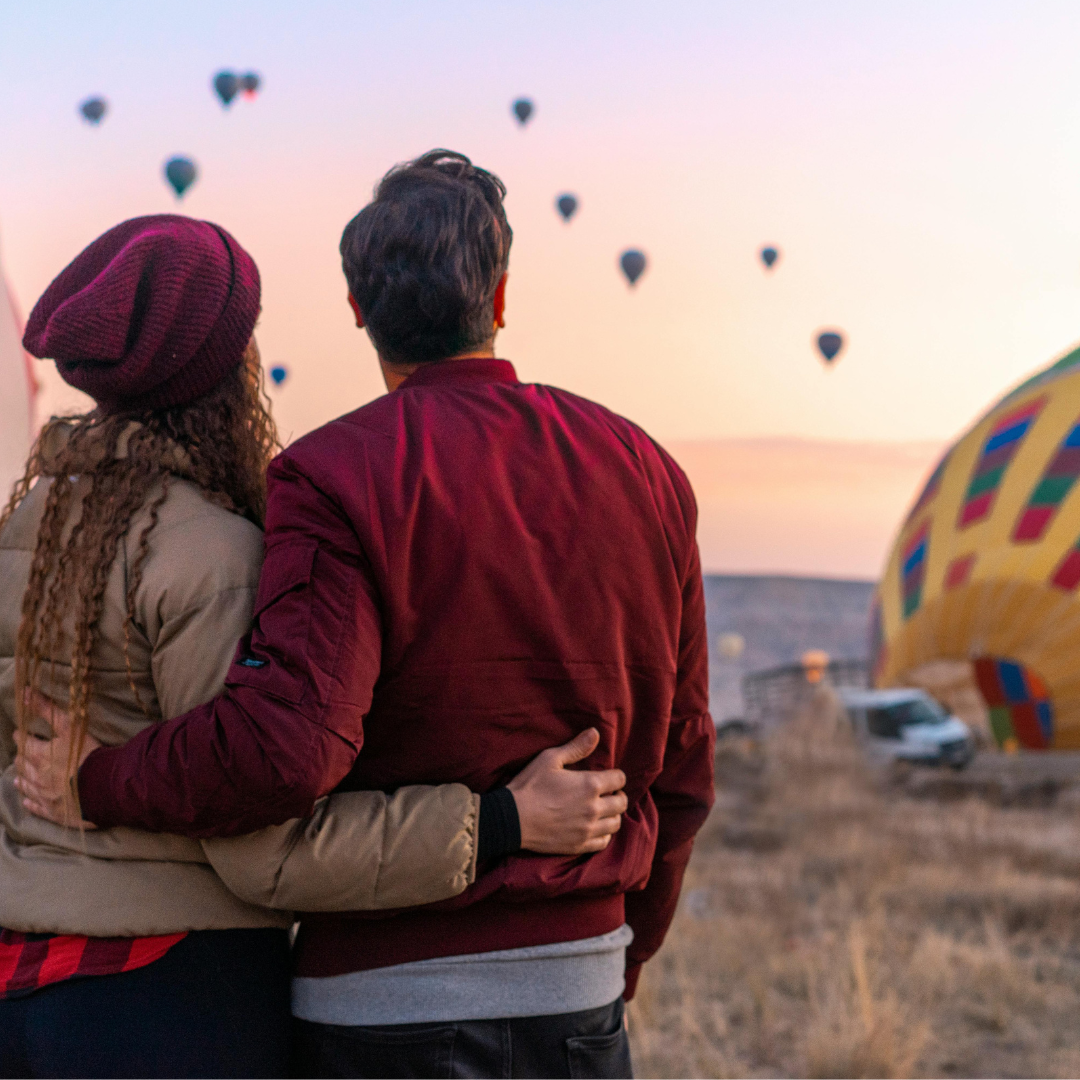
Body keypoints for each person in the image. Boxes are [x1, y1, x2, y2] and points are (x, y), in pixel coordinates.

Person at [20, 153, 716, 1080]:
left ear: (357, 311)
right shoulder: (647, 470)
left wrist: (97, 783)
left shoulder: (333, 475)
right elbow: (685, 762)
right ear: (501, 296)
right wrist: (618, 955)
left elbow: (286, 750)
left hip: (379, 1004)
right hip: (575, 993)